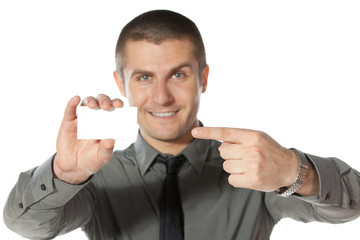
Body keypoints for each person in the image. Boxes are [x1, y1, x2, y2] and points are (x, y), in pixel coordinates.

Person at [3, 9, 360, 240]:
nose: (161, 97)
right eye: (144, 77)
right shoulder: (98, 177)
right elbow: (25, 225)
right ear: (120, 84)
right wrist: (64, 173)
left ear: (203, 78)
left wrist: (296, 171)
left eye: (178, 74)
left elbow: (353, 204)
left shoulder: (255, 170)